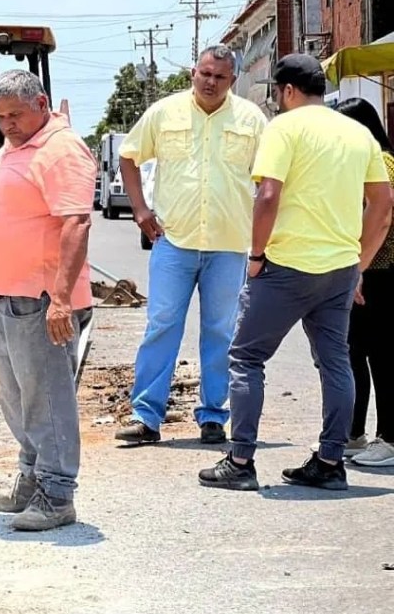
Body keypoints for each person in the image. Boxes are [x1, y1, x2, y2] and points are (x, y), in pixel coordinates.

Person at [198, 55, 392, 492]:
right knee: (336, 362)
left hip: (285, 266)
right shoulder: (359, 134)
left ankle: (241, 461)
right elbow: (382, 207)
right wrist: (358, 263)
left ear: (287, 91)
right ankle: (329, 461)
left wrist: (256, 254)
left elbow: (267, 196)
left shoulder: (283, 129)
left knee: (247, 358)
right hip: (339, 269)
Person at [114, 46, 268, 446]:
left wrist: (264, 240)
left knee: (220, 332)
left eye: (219, 76)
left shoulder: (251, 120)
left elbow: (270, 179)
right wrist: (140, 209)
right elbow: (128, 156)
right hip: (174, 242)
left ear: (232, 80)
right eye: (204, 73)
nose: (210, 82)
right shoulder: (165, 113)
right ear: (192, 73)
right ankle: (146, 416)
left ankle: (214, 416)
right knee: (161, 326)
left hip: (229, 245)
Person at [0, 69, 97, 531]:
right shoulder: (17, 145)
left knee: (46, 397)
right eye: (0, 117)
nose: (7, 124)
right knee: (16, 396)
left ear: (41, 104)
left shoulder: (60, 149)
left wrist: (60, 299)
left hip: (41, 301)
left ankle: (57, 493)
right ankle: (30, 475)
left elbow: (76, 223)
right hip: (6, 298)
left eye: (16, 115)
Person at [335, 98, 394, 466]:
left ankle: (388, 439)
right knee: (354, 352)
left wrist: (359, 268)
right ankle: (353, 433)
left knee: (383, 357)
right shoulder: (362, 165)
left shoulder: (384, 164)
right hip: (362, 271)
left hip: (382, 273)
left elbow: (383, 219)